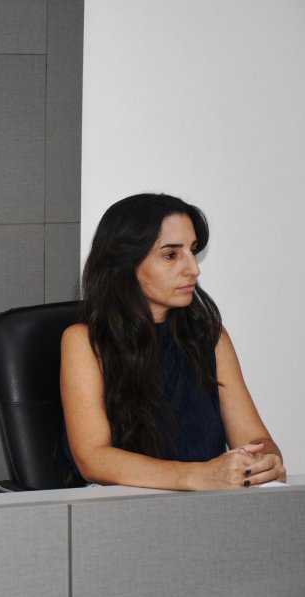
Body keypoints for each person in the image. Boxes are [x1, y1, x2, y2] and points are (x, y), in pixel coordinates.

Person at [61, 193, 285, 490]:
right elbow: (93, 459)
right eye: (171, 255)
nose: (194, 268)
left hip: (205, 511)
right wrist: (197, 475)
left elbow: (256, 440)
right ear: (126, 263)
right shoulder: (84, 341)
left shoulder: (210, 336)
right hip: (115, 513)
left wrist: (266, 461)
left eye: (192, 251)